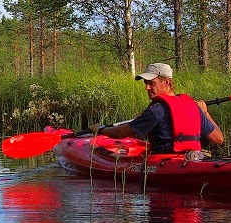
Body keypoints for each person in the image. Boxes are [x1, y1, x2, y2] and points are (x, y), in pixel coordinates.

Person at [90, 62, 223, 154]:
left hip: (164, 162)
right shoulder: (193, 107)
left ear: (167, 82)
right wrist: (205, 113)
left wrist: (101, 130)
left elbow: (120, 133)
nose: (147, 88)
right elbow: (219, 138)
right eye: (146, 83)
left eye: (151, 83)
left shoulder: (156, 110)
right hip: (191, 158)